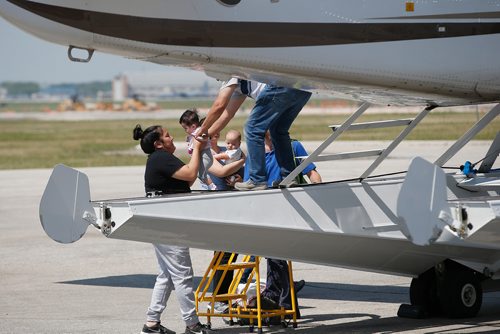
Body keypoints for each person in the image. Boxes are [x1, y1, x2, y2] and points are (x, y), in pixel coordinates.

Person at [133, 124, 211, 334]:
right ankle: (192, 325)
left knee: (166, 275)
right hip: (168, 225)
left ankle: (151, 323)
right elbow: (190, 174)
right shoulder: (161, 157)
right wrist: (196, 148)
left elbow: (188, 175)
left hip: (160, 224)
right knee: (183, 275)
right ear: (158, 144)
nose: (171, 138)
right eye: (167, 136)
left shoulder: (158, 158)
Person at [198, 78, 312, 190]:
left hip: (279, 87)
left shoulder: (231, 75)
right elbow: (226, 115)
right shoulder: (240, 85)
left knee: (252, 128)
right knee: (278, 131)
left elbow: (219, 105)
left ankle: (257, 180)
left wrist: (202, 129)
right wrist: (204, 136)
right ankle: (289, 177)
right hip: (301, 89)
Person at [243, 131, 322, 187]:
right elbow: (248, 183)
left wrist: (318, 191)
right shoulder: (254, 152)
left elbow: (312, 173)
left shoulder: (294, 146)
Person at [179, 109, 216, 190]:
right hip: (202, 156)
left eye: (185, 128)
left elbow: (205, 138)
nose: (185, 131)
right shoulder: (194, 132)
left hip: (205, 156)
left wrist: (197, 139)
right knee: (200, 174)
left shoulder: (199, 131)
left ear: (193, 126)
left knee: (200, 174)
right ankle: (209, 186)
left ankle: (212, 187)